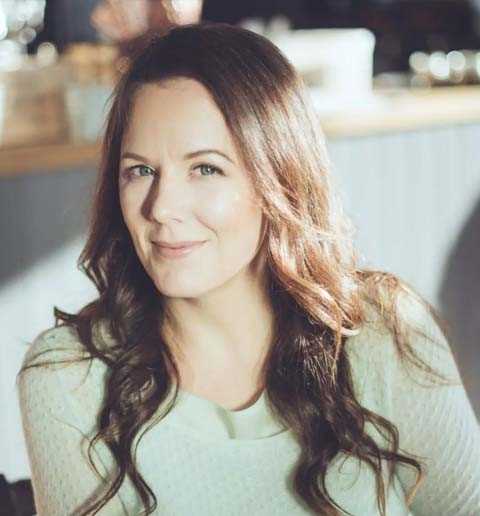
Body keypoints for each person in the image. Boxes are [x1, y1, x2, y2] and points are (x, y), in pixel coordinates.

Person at [16, 22, 480, 516]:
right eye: (141, 170)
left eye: (206, 168)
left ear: (278, 176)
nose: (162, 207)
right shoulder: (69, 378)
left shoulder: (387, 332)